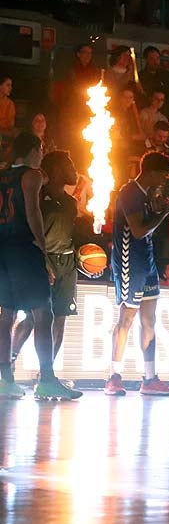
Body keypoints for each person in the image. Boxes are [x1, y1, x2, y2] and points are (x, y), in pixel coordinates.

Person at [0, 134, 80, 400]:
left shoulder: (3, 174)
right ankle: (46, 379)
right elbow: (33, 213)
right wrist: (43, 251)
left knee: (7, 315)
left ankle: (5, 379)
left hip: (4, 248)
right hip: (25, 248)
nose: (42, 155)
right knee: (44, 315)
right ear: (34, 150)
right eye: (41, 149)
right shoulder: (31, 176)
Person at [106, 152, 169, 396]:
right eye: (162, 175)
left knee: (149, 320)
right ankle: (113, 377)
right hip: (129, 261)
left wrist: (159, 208)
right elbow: (138, 231)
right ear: (151, 172)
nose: (163, 181)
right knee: (126, 318)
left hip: (146, 260)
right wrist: (164, 212)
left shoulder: (146, 194)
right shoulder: (130, 193)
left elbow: (147, 228)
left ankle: (149, 378)